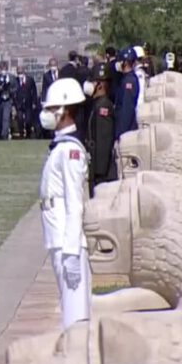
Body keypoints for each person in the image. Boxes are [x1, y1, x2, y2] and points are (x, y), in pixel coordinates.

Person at [38, 77, 91, 329]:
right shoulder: (60, 147)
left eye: (50, 109)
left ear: (65, 111)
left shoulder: (71, 151)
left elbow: (75, 203)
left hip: (66, 240)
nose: (46, 114)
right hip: (56, 236)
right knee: (68, 307)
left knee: (74, 315)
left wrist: (71, 250)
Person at [85, 63, 118, 198]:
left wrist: (99, 173)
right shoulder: (98, 104)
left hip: (101, 173)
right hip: (97, 169)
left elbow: (104, 141)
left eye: (92, 81)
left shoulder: (103, 107)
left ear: (100, 85)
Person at [114, 48, 140, 140]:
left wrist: (120, 134)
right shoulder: (125, 79)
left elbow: (127, 109)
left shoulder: (129, 82)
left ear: (124, 62)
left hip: (126, 131)